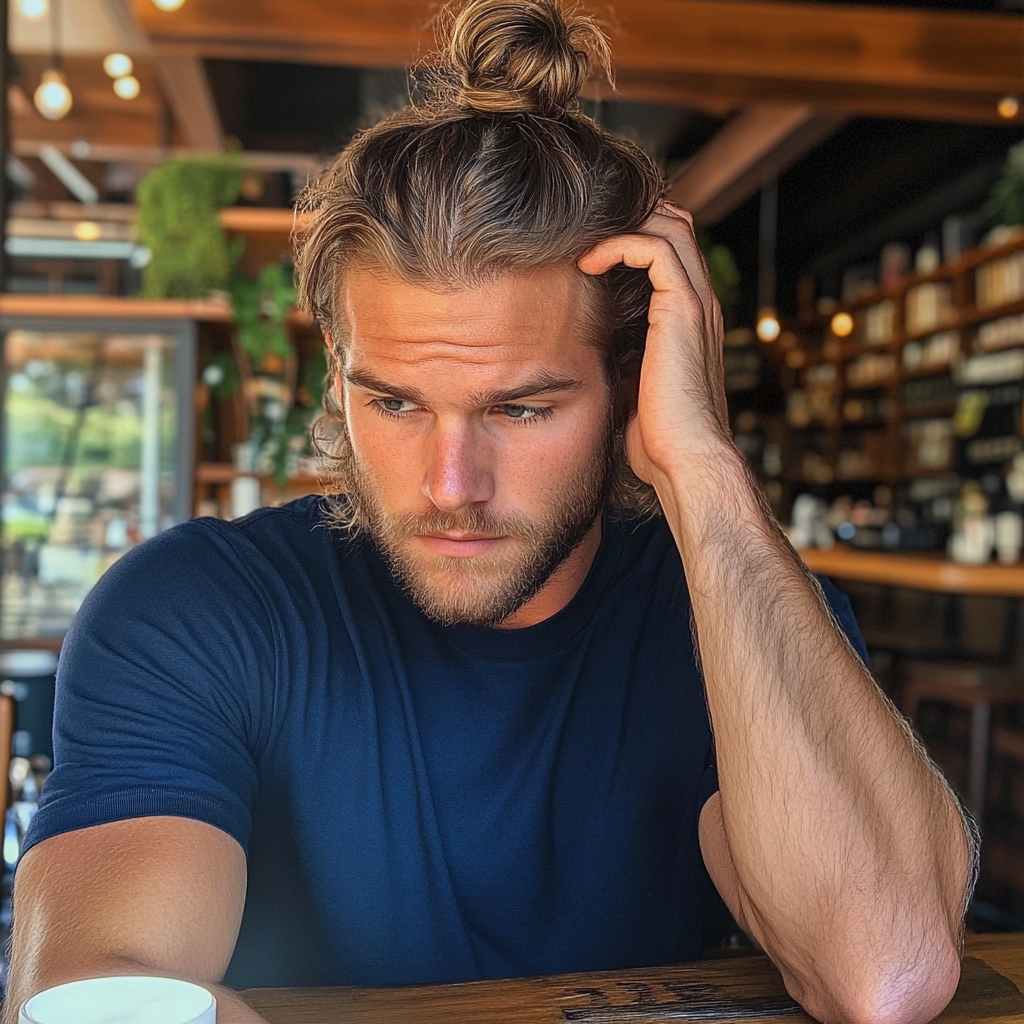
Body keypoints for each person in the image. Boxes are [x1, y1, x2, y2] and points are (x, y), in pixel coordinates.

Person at [5, 2, 975, 1023]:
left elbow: (883, 974)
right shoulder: (191, 613)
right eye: (393, 401)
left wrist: (706, 471)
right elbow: (93, 988)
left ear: (632, 381)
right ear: (336, 374)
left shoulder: (737, 621)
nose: (449, 481)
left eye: (520, 407)